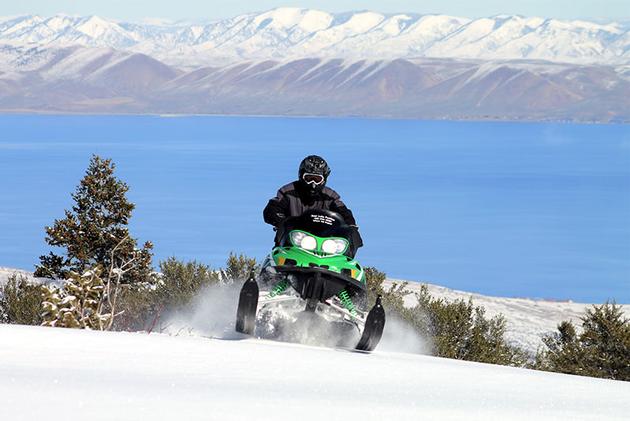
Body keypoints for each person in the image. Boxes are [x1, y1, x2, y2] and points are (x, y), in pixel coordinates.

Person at [263, 155, 363, 255]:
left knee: (346, 254)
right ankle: (272, 269)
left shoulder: (331, 196)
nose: (313, 183)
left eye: (317, 179)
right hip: (292, 243)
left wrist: (351, 228)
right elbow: (272, 208)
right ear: (301, 176)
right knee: (275, 259)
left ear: (324, 179)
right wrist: (282, 221)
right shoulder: (287, 191)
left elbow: (344, 213)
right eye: (309, 178)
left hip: (325, 246)